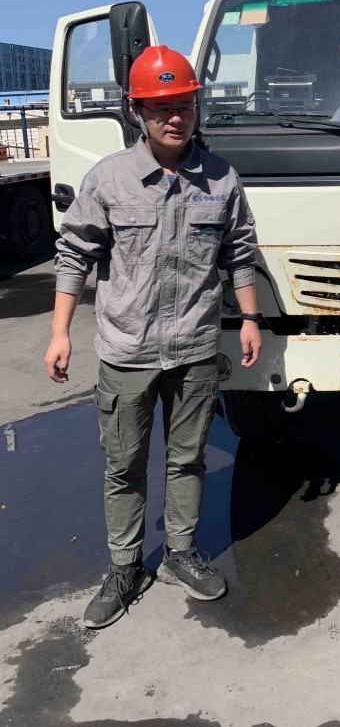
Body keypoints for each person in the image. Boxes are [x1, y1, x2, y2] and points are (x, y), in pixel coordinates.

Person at [44, 46, 262, 628]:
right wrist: (60, 332)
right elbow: (74, 254)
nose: (174, 117)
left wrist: (249, 319)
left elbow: (239, 253)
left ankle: (180, 554)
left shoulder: (221, 178)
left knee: (188, 459)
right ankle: (124, 567)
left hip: (194, 348)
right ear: (137, 111)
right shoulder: (109, 179)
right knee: (124, 465)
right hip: (128, 351)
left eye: (184, 105)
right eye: (160, 107)